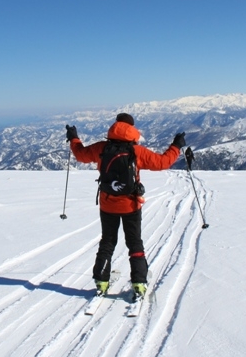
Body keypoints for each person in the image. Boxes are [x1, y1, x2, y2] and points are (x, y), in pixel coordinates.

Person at [65, 113, 185, 300]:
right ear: (131, 129)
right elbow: (163, 162)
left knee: (107, 242)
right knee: (134, 242)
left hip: (107, 204)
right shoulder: (136, 151)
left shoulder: (102, 148)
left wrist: (73, 137)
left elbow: (80, 154)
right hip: (131, 205)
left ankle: (101, 281)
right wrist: (176, 145)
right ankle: (138, 283)